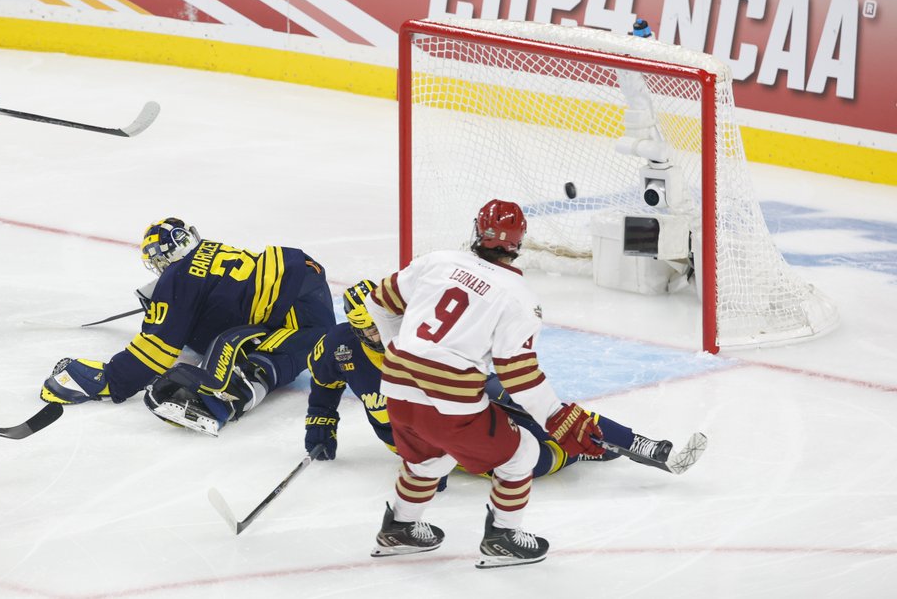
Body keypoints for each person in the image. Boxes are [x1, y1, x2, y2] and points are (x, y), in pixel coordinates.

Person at [364, 199, 605, 568]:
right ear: (519, 243)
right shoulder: (519, 296)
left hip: (396, 383)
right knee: (522, 452)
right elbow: (517, 373)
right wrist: (557, 417)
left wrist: (400, 349)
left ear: (477, 231)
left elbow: (379, 301)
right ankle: (503, 537)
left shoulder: (438, 260)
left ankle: (400, 527)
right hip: (450, 397)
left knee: (429, 456)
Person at [305, 280, 703, 480]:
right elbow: (323, 387)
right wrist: (321, 425)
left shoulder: (415, 334)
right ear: (355, 329)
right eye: (370, 331)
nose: (381, 335)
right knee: (529, 462)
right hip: (429, 442)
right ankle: (577, 451)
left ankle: (638, 442)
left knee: (535, 408)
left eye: (384, 325)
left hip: (456, 407)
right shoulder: (338, 347)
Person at [41, 218, 336, 435]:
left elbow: (156, 349)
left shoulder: (177, 278)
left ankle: (226, 397)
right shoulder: (211, 249)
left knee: (250, 360)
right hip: (305, 283)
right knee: (300, 345)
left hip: (290, 307)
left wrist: (112, 380)